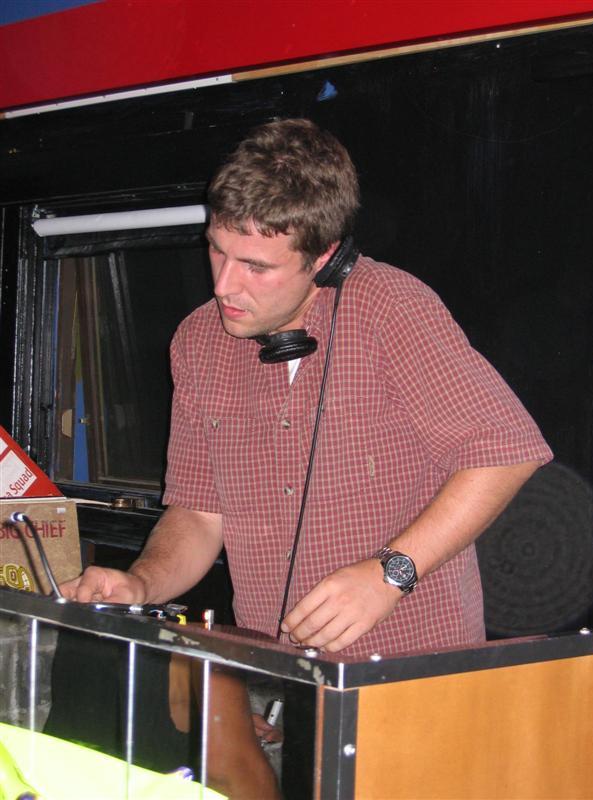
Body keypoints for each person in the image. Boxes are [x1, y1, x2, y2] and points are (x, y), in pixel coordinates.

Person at [61, 118, 552, 796]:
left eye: (256, 267)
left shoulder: (392, 310)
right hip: (279, 676)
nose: (225, 285)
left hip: (410, 674)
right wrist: (140, 583)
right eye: (216, 251)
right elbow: (198, 513)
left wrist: (390, 572)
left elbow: (504, 451)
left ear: (324, 259)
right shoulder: (197, 343)